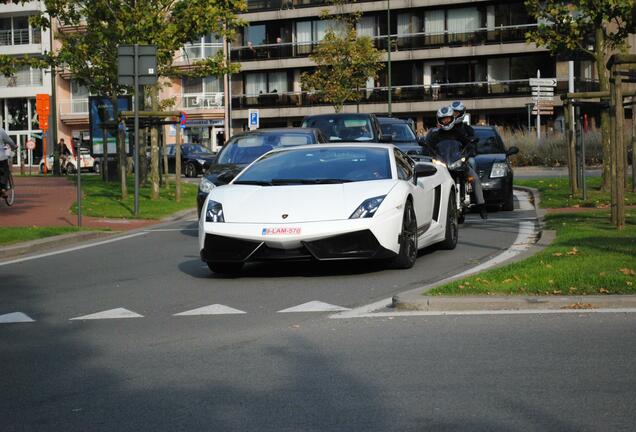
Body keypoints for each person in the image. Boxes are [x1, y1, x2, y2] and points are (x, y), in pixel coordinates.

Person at [423, 106, 488, 219]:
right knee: (429, 183)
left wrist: (471, 149)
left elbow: (468, 144)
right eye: (443, 119)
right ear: (439, 120)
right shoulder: (435, 135)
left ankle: (481, 206)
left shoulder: (459, 133)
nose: (446, 121)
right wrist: (426, 151)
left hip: (458, 163)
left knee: (474, 178)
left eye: (448, 119)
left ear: (452, 118)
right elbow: (428, 147)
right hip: (443, 165)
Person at [0, 127, 17, 197]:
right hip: (1, 157)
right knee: (6, 171)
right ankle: (3, 189)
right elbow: (9, 140)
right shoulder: (0, 130)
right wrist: (14, 146)